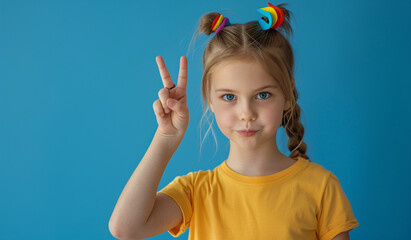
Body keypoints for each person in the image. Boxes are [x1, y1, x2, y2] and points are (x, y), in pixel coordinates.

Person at [109, 2, 359, 240]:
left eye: (263, 95)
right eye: (229, 96)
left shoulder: (321, 187)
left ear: (287, 95)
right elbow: (125, 228)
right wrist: (166, 138)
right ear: (210, 99)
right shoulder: (196, 191)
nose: (246, 113)